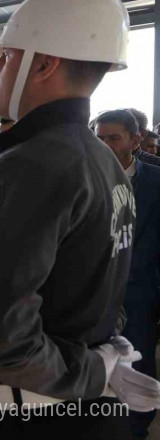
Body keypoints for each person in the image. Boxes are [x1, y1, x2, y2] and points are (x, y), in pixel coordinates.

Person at [0, 1, 160, 437]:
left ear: (44, 64)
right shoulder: (104, 162)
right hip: (87, 413)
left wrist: (93, 371)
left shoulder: (28, 166)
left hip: (35, 419)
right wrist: (102, 356)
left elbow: (2, 343)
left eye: (6, 57)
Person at [96, 109, 160, 439]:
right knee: (98, 363)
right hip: (93, 294)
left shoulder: (155, 181)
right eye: (99, 138)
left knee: (138, 359)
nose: (104, 145)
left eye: (113, 137)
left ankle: (137, 427)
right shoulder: (83, 178)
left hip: (139, 293)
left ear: (135, 140)